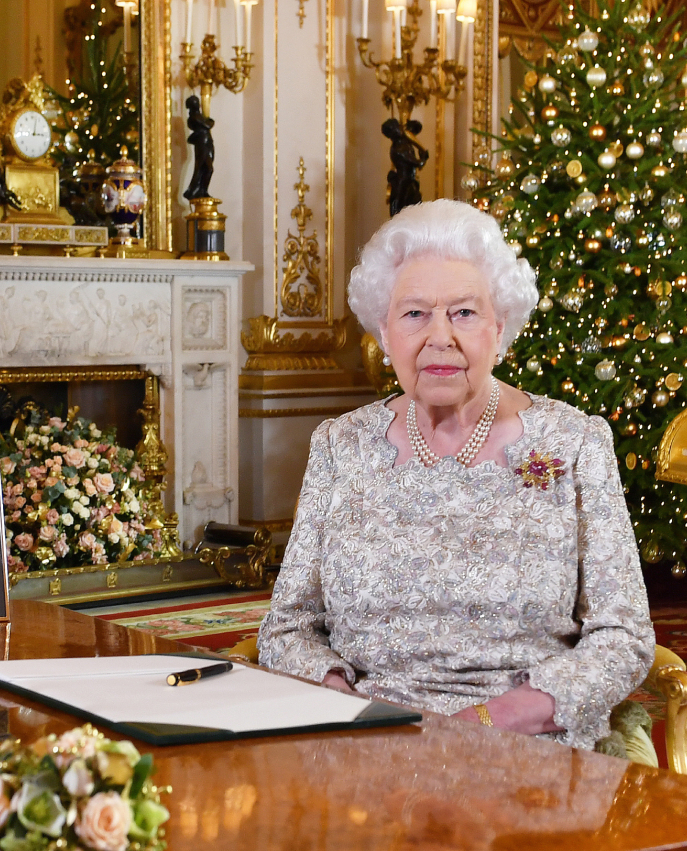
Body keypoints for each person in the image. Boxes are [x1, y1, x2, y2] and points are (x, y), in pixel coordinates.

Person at [256, 200, 656, 756]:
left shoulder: (575, 442)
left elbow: (624, 639)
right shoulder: (338, 445)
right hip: (368, 740)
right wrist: (340, 703)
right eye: (415, 314)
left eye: (464, 314)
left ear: (499, 327)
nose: (439, 336)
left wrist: (488, 722)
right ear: (383, 331)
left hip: (525, 746)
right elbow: (286, 629)